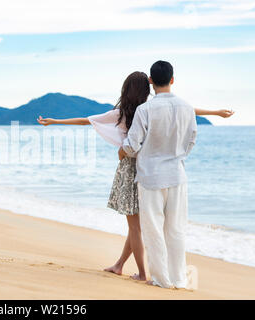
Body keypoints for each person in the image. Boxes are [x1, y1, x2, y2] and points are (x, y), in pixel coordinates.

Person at [38, 70, 233, 282]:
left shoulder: (123, 113)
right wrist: (215, 112)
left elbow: (87, 121)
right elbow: (189, 110)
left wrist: (55, 121)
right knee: (137, 225)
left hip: (131, 168)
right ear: (147, 88)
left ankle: (141, 273)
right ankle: (120, 265)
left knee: (135, 226)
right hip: (149, 167)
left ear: (126, 90)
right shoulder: (151, 109)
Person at [120, 60, 199, 288]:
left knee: (153, 229)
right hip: (177, 175)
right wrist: (178, 157)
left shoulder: (145, 110)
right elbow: (191, 140)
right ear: (172, 80)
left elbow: (132, 145)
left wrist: (122, 150)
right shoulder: (187, 108)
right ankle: (178, 279)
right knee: (176, 229)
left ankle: (161, 279)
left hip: (150, 176)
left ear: (151, 81)